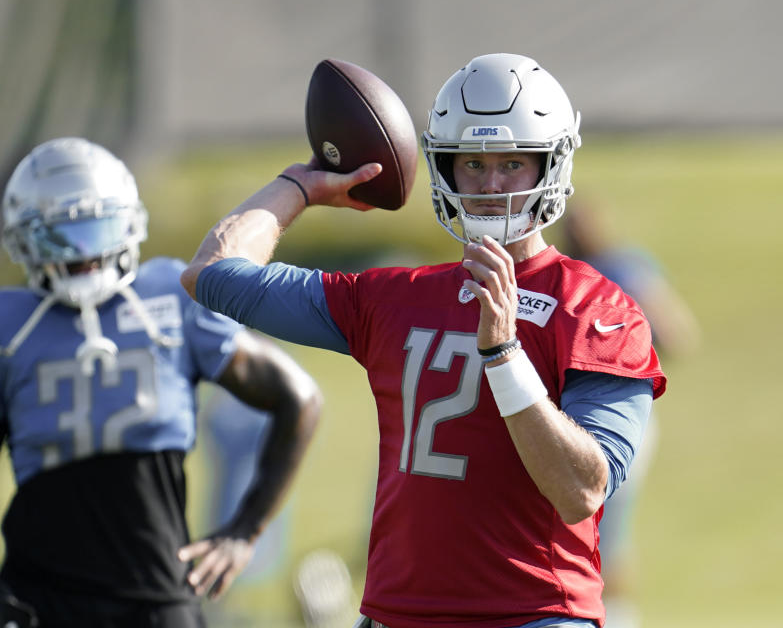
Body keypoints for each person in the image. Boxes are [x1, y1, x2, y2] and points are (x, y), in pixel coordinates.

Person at [181, 53, 666, 628]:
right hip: (397, 615)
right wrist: (300, 186)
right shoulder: (393, 296)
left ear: (550, 165)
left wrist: (503, 354)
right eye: (472, 163)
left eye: (513, 163)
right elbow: (211, 274)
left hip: (530, 616)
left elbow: (582, 490)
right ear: (443, 168)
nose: (491, 185)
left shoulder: (599, 310)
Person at [0, 137, 322, 627]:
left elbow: (298, 398)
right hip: (35, 601)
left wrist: (244, 529)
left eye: (98, 228)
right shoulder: (10, 325)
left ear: (126, 223)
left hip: (157, 597)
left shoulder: (169, 299)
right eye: (61, 237)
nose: (85, 256)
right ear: (26, 237)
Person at [561, 204, 701, 628]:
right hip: (569, 416)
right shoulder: (572, 272)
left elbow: (676, 333)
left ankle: (615, 617)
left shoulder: (619, 268)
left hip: (620, 412)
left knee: (604, 531)